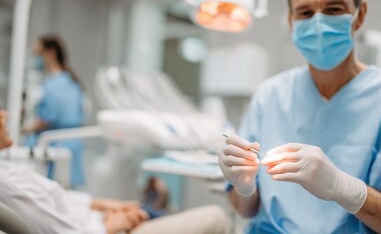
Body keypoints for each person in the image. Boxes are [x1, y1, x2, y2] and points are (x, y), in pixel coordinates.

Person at [218, 0, 381, 233]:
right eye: (306, 13)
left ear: (359, 16)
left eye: (333, 9)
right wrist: (245, 187)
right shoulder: (270, 95)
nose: (318, 24)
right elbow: (245, 209)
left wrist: (346, 190)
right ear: (291, 22)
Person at [0, 111, 229, 234]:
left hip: (99, 220)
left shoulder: (7, 169)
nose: (5, 115)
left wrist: (112, 206)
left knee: (149, 209)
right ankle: (155, 204)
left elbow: (64, 201)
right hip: (105, 228)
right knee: (216, 218)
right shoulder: (6, 181)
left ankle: (154, 204)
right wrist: (118, 221)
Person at [23, 35, 85, 187]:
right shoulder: (69, 81)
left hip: (57, 147)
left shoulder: (55, 85)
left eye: (38, 54)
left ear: (50, 53)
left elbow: (49, 119)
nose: (36, 59)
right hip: (70, 148)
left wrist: (26, 127)